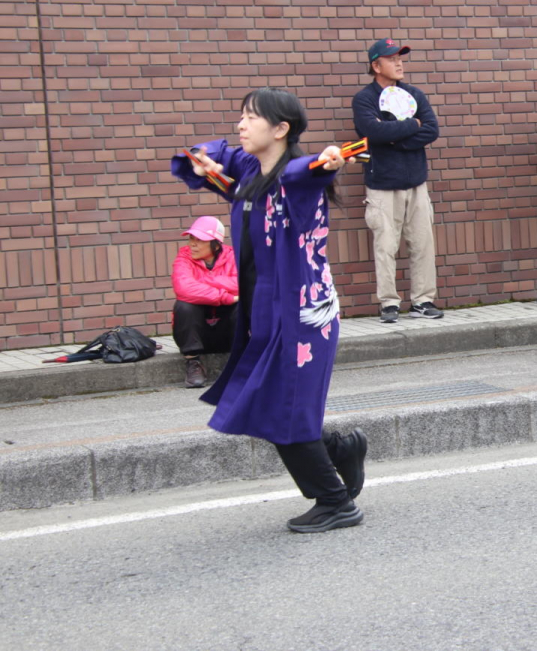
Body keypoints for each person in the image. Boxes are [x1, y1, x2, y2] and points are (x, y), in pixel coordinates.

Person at [172, 87, 368, 534]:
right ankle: (338, 450)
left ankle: (335, 502)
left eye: (251, 117)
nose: (241, 125)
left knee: (282, 409)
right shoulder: (248, 170)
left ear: (281, 129)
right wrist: (203, 160)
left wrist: (331, 159)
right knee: (270, 403)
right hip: (264, 310)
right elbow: (211, 154)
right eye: (241, 115)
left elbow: (314, 167)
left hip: (302, 317)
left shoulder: (296, 177)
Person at [353, 38, 444, 322]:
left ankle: (422, 301)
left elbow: (431, 130)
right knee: (385, 246)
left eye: (400, 58)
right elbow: (372, 132)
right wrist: (411, 126)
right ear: (376, 65)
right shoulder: (364, 99)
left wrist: (394, 139)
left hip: (416, 182)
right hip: (381, 185)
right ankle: (389, 303)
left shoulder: (414, 94)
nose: (399, 63)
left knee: (422, 244)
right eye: (392, 59)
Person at [171, 215, 238, 388]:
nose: (192, 244)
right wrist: (225, 297)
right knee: (184, 305)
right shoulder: (184, 257)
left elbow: (242, 284)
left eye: (199, 240)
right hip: (197, 335)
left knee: (241, 306)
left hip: (227, 333)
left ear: (216, 244)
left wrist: (202, 281)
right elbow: (183, 288)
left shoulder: (234, 256)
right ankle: (193, 363)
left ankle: (238, 362)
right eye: (191, 239)